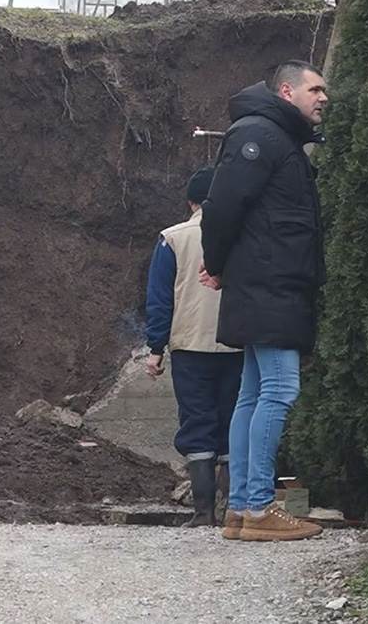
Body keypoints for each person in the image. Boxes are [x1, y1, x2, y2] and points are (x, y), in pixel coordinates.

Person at [199, 60, 328, 542]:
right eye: (315, 89)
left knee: (252, 394)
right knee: (279, 390)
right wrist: (215, 264)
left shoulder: (276, 137)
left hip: (268, 283)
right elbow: (223, 205)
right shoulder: (261, 135)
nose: (323, 98)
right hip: (270, 285)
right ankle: (256, 506)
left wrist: (223, 266)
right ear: (287, 91)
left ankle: (239, 510)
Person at [144, 166, 243, 527]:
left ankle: (203, 513)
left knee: (197, 422)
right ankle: (237, 509)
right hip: (237, 343)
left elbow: (159, 300)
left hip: (189, 345)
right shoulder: (242, 234)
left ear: (191, 203)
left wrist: (156, 348)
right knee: (234, 421)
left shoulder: (172, 238)